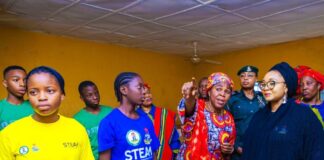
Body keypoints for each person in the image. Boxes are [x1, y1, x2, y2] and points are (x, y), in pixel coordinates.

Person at [0, 66, 94, 160]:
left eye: (50, 91)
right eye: (33, 92)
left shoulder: (77, 129)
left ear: (62, 95)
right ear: (28, 96)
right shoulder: (9, 134)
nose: (41, 97)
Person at [242, 62, 324, 160]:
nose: (266, 87)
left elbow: (316, 152)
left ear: (286, 87)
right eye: (263, 84)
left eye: (272, 83)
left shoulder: (305, 116)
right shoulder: (258, 117)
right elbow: (248, 149)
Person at [98, 72, 160, 160]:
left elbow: (153, 153)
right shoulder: (108, 123)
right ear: (124, 90)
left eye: (144, 88)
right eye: (139, 87)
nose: (144, 91)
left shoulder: (146, 119)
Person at [177, 73, 236, 160]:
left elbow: (230, 144)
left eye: (227, 91)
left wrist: (229, 150)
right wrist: (189, 98)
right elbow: (189, 109)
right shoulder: (198, 107)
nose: (222, 94)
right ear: (209, 92)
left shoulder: (228, 118)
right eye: (218, 89)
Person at [226, 65, 266, 160]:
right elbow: (225, 124)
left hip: (260, 148)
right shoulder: (232, 99)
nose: (245, 78)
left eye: (250, 76)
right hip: (239, 151)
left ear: (256, 78)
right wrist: (236, 146)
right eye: (242, 76)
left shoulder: (263, 98)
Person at [137, 83, 181, 160]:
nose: (148, 96)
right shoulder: (134, 116)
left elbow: (174, 139)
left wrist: (176, 155)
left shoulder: (165, 114)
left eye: (149, 93)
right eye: (144, 94)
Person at [74, 80, 113, 160]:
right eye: (90, 95)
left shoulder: (111, 112)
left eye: (96, 93)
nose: (95, 97)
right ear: (82, 98)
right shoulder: (77, 120)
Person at [0, 65, 33, 130]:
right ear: (5, 83)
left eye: (25, 80)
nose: (22, 84)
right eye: (16, 80)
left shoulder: (35, 105)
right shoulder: (1, 107)